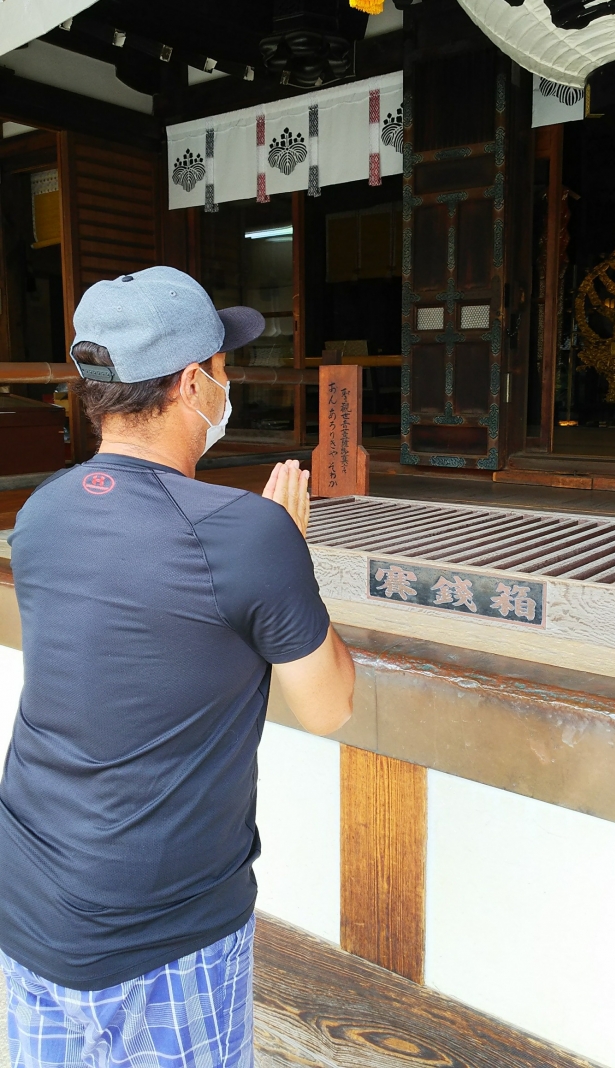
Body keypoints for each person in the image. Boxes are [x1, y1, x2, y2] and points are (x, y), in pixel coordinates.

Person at [0, 266, 355, 1068]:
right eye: (224, 369)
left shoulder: (41, 513)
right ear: (193, 383)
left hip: (31, 902)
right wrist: (291, 556)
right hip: (166, 923)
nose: (228, 388)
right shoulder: (247, 532)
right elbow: (328, 705)